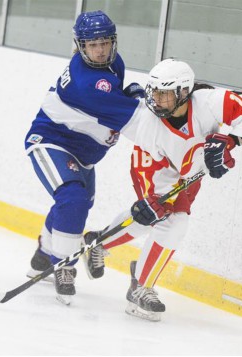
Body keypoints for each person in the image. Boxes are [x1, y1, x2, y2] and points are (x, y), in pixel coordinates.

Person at [82, 59, 242, 321]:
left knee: (159, 220)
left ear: (183, 93)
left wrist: (230, 141)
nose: (156, 100)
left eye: (164, 94)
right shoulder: (148, 125)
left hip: (189, 168)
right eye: (153, 92)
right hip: (157, 166)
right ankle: (141, 287)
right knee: (168, 220)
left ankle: (99, 243)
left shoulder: (211, 102)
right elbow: (148, 175)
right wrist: (150, 201)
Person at [24, 10, 146, 304]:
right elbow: (136, 121)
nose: (100, 50)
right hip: (52, 141)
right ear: (80, 46)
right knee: (73, 199)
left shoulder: (114, 64)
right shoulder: (88, 83)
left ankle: (44, 253)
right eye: (93, 45)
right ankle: (63, 265)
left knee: (75, 204)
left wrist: (133, 93)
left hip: (84, 153)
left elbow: (118, 97)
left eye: (104, 42)